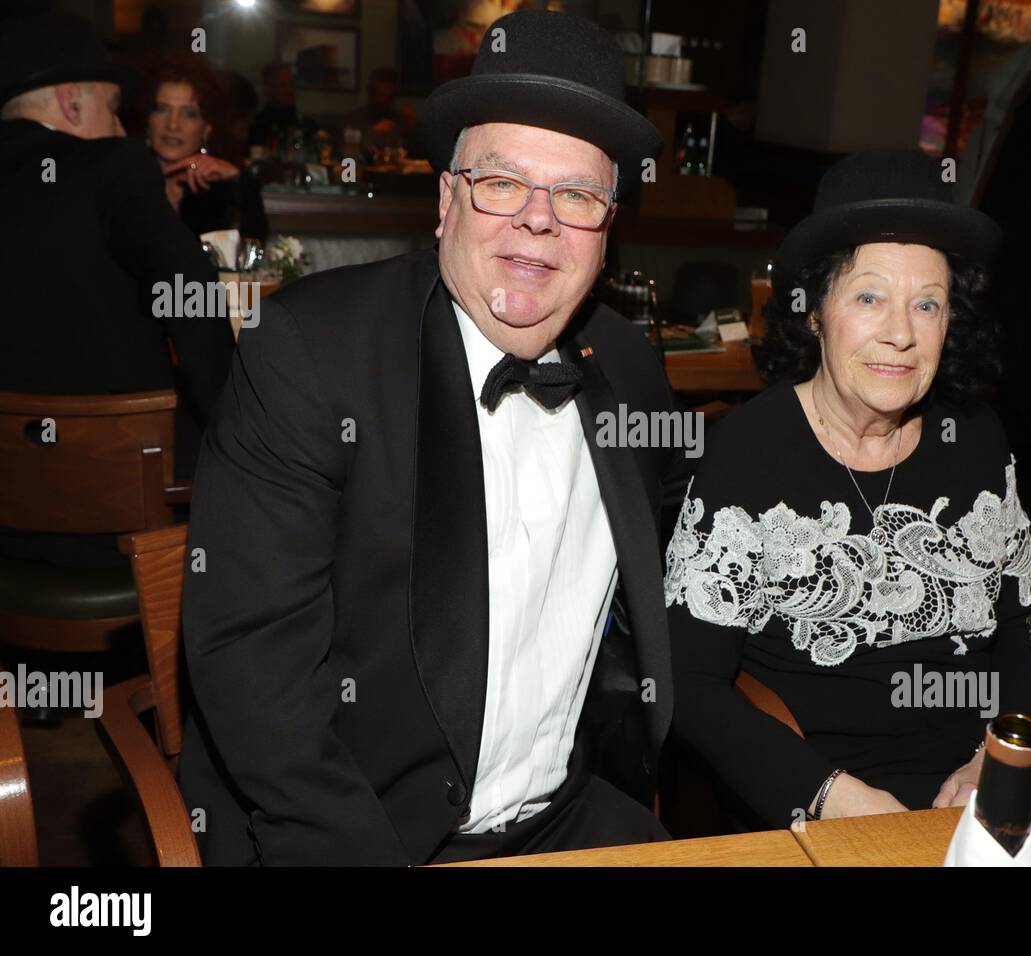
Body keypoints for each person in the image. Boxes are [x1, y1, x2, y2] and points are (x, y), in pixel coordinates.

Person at [180, 10, 681, 866]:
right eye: (501, 182)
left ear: (607, 228)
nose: (538, 221)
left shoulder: (630, 371)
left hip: (572, 821)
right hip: (363, 835)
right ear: (447, 198)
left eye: (577, 195)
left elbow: (681, 587)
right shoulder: (311, 353)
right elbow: (252, 670)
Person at [664, 150, 1031, 829]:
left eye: (926, 303)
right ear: (815, 313)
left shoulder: (978, 439)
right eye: (869, 296)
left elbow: (1023, 631)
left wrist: (999, 753)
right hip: (813, 801)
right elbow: (690, 686)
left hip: (971, 800)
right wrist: (827, 793)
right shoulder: (747, 454)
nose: (900, 333)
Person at [0, 13, 233, 567]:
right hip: (119, 536)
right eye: (111, 110)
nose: (123, 130)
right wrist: (239, 423)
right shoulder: (114, 166)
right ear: (71, 103)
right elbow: (189, 295)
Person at [141, 52, 267, 244]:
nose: (173, 125)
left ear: (206, 129)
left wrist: (237, 180)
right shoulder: (126, 180)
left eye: (189, 114)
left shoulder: (219, 188)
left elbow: (250, 251)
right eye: (163, 110)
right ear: (148, 121)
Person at [340, 67, 421, 154]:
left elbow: (417, 151)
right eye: (380, 94)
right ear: (371, 93)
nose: (384, 100)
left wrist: (413, 124)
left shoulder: (400, 120)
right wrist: (373, 132)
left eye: (389, 95)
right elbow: (344, 153)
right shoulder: (354, 119)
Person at [247, 63, 316, 151]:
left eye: (291, 84)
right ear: (267, 88)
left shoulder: (308, 126)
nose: (289, 90)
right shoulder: (256, 126)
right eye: (282, 85)